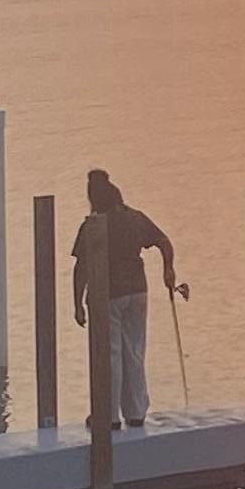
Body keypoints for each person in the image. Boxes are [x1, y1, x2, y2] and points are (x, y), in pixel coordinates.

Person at [70, 167, 183, 427]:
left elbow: (82, 268)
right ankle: (135, 412)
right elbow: (164, 241)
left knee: (110, 354)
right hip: (138, 291)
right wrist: (168, 268)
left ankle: (108, 416)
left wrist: (77, 303)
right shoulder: (135, 218)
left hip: (107, 294)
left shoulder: (92, 225)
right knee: (134, 351)